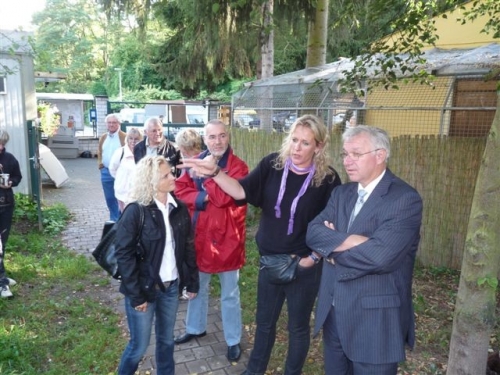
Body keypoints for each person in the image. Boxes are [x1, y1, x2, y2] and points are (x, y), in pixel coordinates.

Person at [180, 114, 342, 375]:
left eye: (306, 143)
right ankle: (254, 371)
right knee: (264, 323)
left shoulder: (328, 180)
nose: (297, 148)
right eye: (294, 140)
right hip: (270, 262)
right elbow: (241, 191)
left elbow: (332, 225)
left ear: (319, 147)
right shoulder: (272, 165)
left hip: (304, 267)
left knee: (297, 328)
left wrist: (312, 259)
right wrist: (216, 173)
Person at [306, 125, 423, 374]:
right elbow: (313, 233)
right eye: (345, 154)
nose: (347, 161)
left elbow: (380, 257)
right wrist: (356, 241)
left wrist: (333, 247)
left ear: (380, 155)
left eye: (355, 154)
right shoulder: (341, 193)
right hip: (334, 313)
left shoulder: (404, 199)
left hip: (374, 322)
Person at [115, 155, 199, 375]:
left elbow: (188, 247)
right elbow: (124, 255)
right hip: (144, 289)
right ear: (151, 181)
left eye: (171, 172)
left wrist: (192, 282)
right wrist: (136, 295)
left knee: (166, 341)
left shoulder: (178, 208)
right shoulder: (136, 211)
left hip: (170, 288)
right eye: (167, 175)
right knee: (138, 347)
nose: (173, 177)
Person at [174, 120, 248, 362]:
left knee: (230, 294)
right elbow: (180, 190)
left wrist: (207, 176)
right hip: (200, 237)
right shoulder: (194, 163)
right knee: (197, 287)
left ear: (228, 137)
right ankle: (195, 328)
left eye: (222, 136)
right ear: (204, 139)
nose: (217, 141)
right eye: (212, 137)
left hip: (228, 239)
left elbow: (225, 198)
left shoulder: (238, 167)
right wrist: (202, 198)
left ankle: (233, 339)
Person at [0, 130, 22, 298]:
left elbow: (17, 176)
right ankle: (2, 284)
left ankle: (2, 274)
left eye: (3, 144)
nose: (1, 147)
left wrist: (11, 183)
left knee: (2, 243)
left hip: (6, 204)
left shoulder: (10, 158)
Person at [98, 114, 126, 221]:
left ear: (119, 124)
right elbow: (100, 152)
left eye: (114, 122)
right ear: (106, 124)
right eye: (109, 122)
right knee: (109, 198)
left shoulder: (125, 137)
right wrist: (100, 165)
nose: (111, 125)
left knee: (121, 197)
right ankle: (114, 220)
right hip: (105, 171)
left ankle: (122, 219)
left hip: (120, 172)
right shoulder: (103, 137)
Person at [109, 127, 143, 212]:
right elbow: (112, 169)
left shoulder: (144, 153)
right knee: (125, 217)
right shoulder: (120, 152)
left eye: (136, 139)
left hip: (138, 193)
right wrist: (121, 179)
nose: (133, 141)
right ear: (127, 139)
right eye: (131, 138)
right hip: (123, 193)